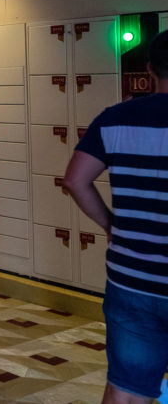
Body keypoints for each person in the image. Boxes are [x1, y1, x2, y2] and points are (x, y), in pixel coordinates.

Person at [65, 29, 168, 404]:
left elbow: (75, 180)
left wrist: (111, 225)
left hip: (131, 281)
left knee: (126, 390)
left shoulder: (115, 119)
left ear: (150, 69)